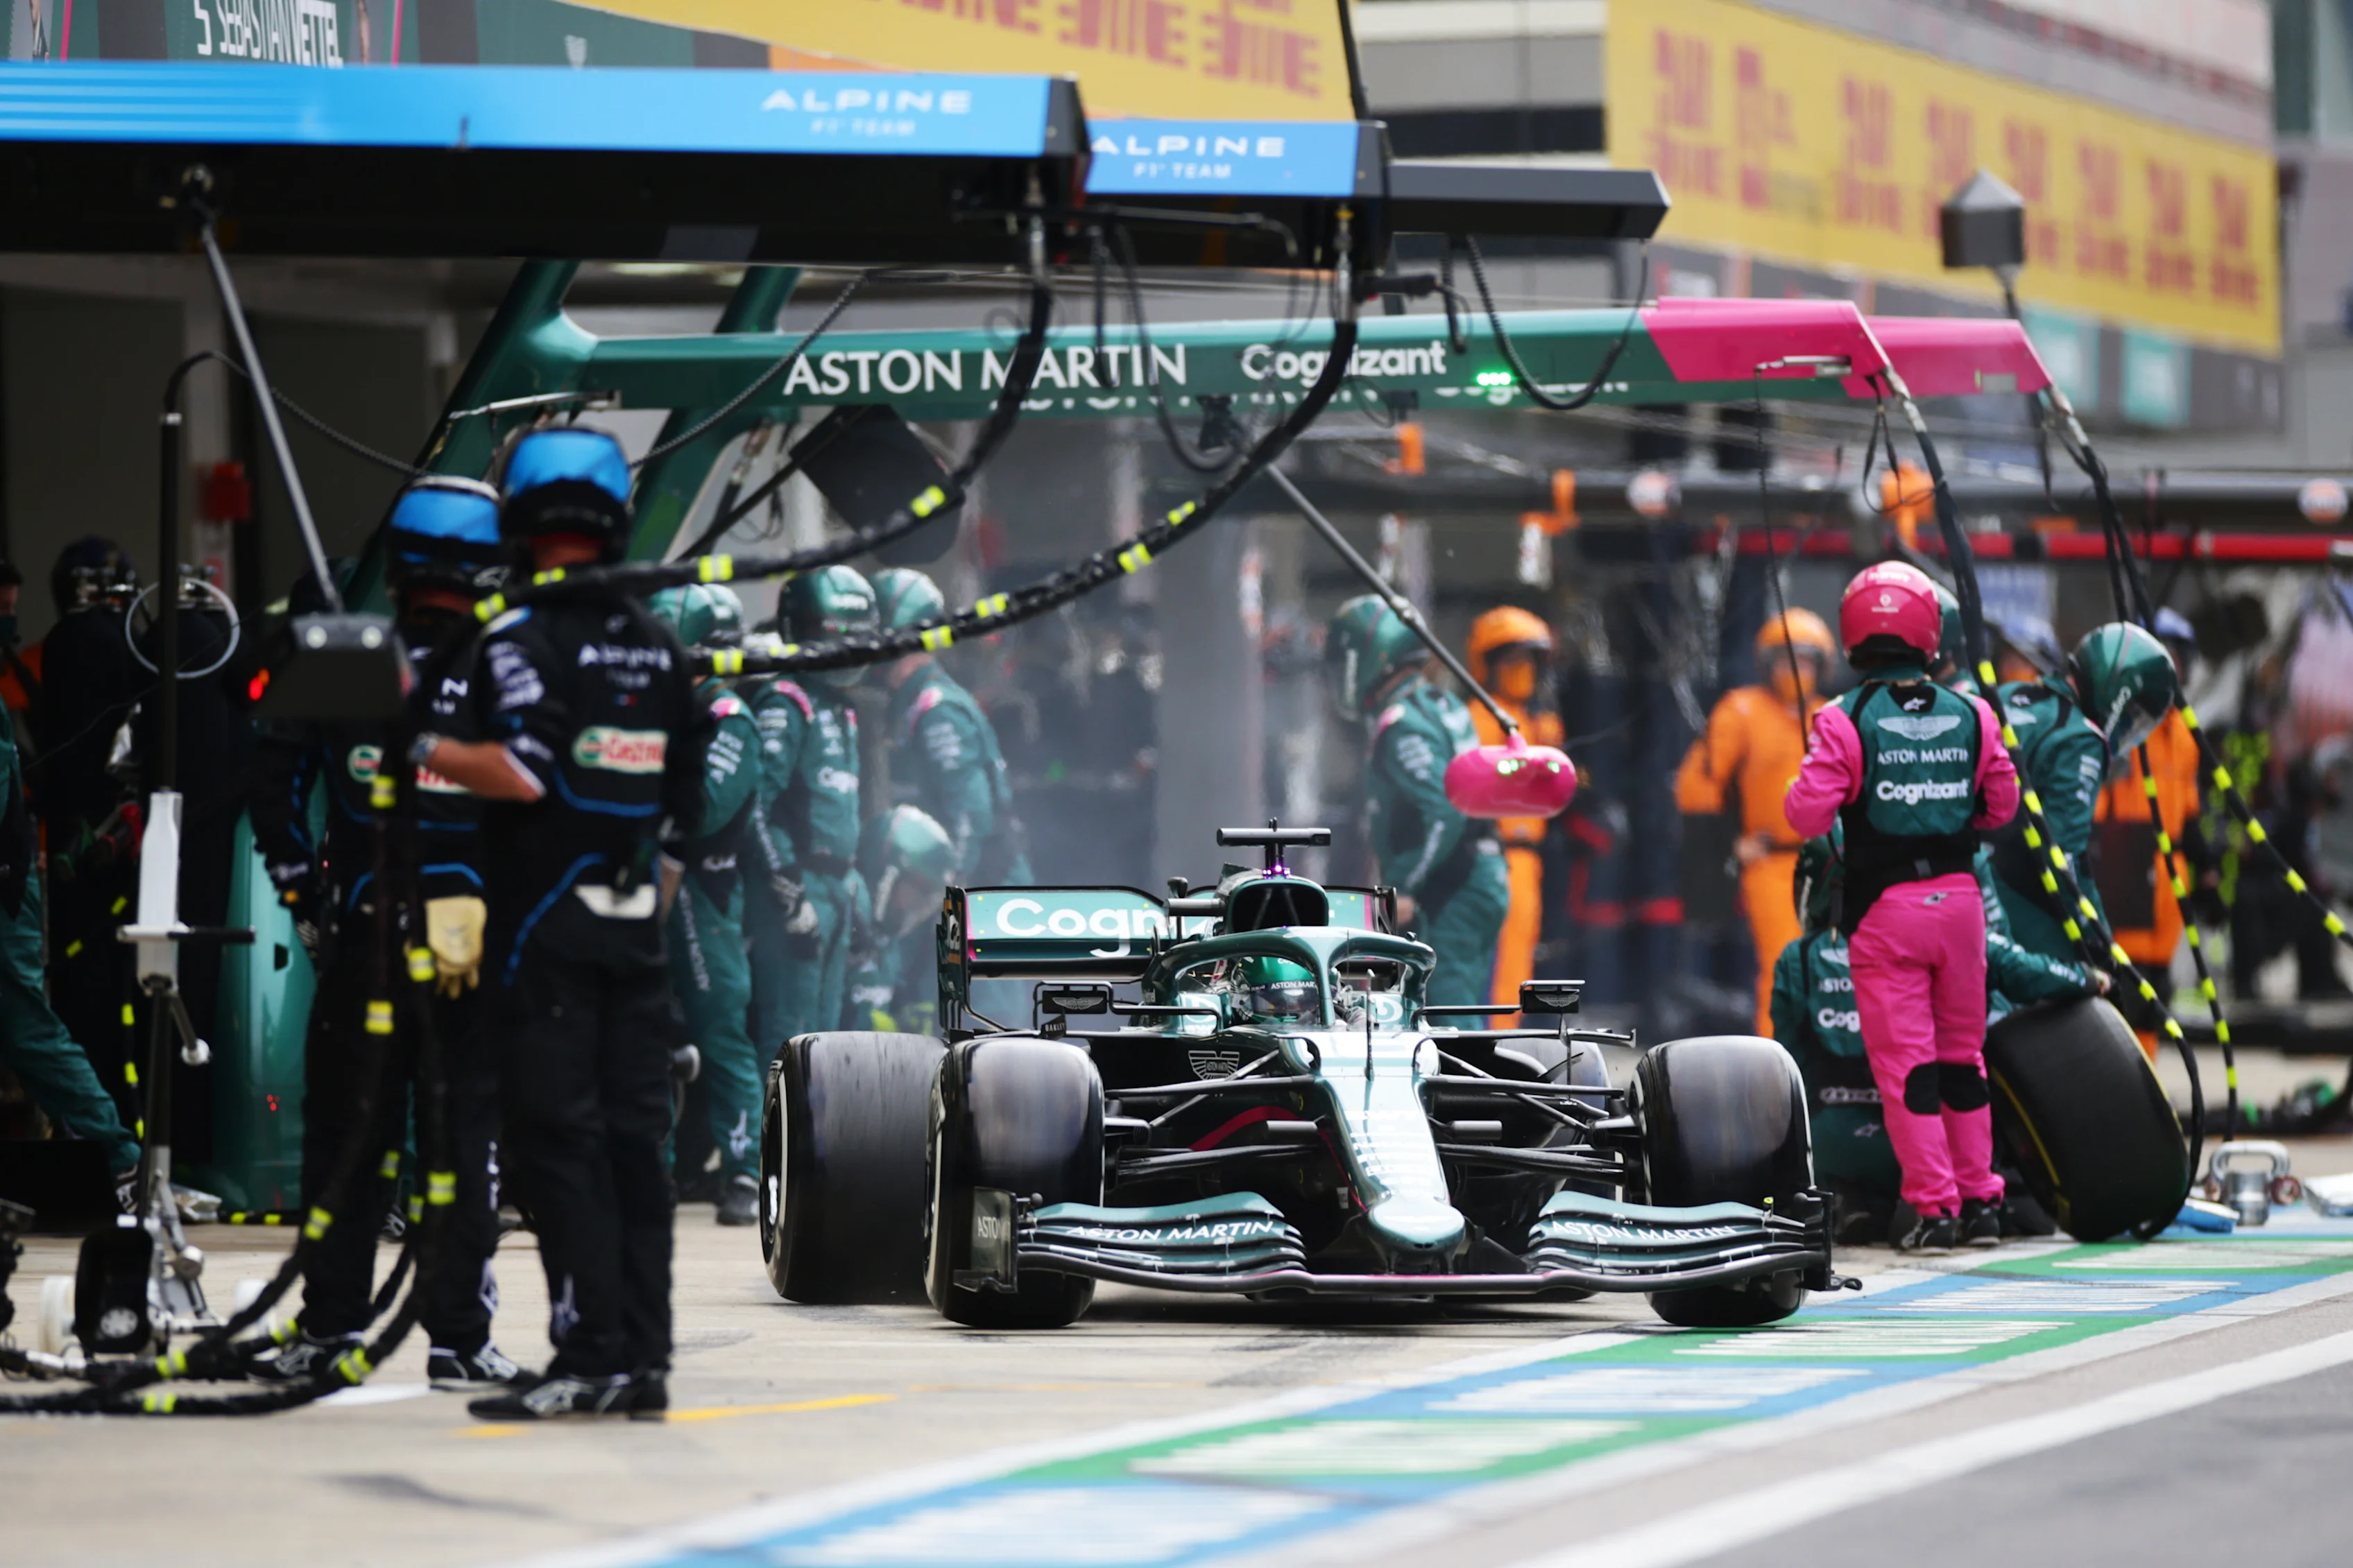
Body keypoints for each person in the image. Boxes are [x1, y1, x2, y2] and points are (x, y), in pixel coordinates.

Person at [416, 428, 711, 1420]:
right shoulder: (658, 645)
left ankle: (589, 1355)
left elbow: (524, 768)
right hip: (633, 940)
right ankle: (642, 1360)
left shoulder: (517, 638)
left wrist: (423, 740)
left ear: (522, 521)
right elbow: (686, 813)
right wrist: (638, 903)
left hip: (543, 938)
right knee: (638, 1147)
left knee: (558, 1145)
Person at [246, 477, 517, 1388]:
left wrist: (300, 892)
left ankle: (329, 1330)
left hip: (366, 921)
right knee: (461, 1142)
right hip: (464, 943)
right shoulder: (505, 663)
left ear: (397, 571)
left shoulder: (341, 652)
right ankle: (459, 1340)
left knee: (349, 1144)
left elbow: (272, 780)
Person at [1785, 561, 2019, 1251]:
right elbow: (2000, 805)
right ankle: (1982, 1201)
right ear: (1929, 635)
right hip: (1960, 909)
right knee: (1961, 1059)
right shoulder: (1974, 713)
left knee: (1908, 1067)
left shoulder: (1842, 718)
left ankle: (1934, 1208)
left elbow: (1803, 813)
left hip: (1884, 917)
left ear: (1853, 638)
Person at [1772, 827, 2096, 1244]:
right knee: (1964, 1065)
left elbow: (1787, 1075)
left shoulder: (1794, 960)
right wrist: (2088, 978)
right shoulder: (1935, 931)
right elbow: (2028, 973)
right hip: (1915, 1149)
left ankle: (1859, 1203)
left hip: (1832, 1148)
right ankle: (1975, 1200)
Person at [0, 562, 141, 1205]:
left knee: (25, 1024)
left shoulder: (40, 661)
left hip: (11, 879)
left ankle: (121, 1157)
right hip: (27, 864)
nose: (10, 608)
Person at [646, 583, 763, 1227]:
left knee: (721, 1032)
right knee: (648, 1034)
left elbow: (707, 807)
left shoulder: (729, 719)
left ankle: (745, 1170)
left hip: (705, 893)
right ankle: (655, 1170)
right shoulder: (662, 711)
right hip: (644, 882)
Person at [1324, 596, 1507, 1008]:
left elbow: (1443, 811)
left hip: (1450, 890)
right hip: (1477, 877)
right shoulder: (1441, 703)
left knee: (1446, 1019)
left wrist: (1403, 887)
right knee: (1456, 1010)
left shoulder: (1403, 726)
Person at [1675, 607, 1836, 1034]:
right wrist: (1728, 844)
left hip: (1832, 862)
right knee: (1784, 966)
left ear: (1821, 666)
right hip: (1772, 861)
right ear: (1767, 665)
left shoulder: (1834, 716)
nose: (1794, 670)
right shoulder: (1741, 711)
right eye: (1785, 660)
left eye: (1804, 660)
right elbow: (1697, 787)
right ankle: (1777, 1063)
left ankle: (1827, 1070)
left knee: (1836, 970)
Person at [1986, 622, 2182, 968]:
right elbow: (2063, 858)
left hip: (1954, 883)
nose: (2129, 728)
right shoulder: (2080, 740)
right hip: (2008, 902)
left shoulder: (2008, 695)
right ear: (2119, 692)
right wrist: (2098, 940)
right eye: (2133, 715)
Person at [31, 538, 146, 1121]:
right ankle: (115, 1131)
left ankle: (90, 1132)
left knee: (81, 995)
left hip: (74, 853)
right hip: (104, 854)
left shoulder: (57, 648)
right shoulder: (107, 648)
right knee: (109, 997)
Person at [745, 566, 874, 1058]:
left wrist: (853, 888)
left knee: (827, 1040)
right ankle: (770, 1138)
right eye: (837, 634)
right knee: (786, 1035)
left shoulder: (844, 708)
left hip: (839, 887)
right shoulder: (784, 701)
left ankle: (813, 1139)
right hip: (796, 888)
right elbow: (757, 803)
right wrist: (788, 890)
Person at [869, 567, 1032, 887]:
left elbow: (971, 815)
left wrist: (947, 889)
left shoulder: (937, 711)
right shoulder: (914, 702)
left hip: (987, 891)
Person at [2093, 608, 2208, 990]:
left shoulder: (2183, 733)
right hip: (2126, 862)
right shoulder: (2119, 722)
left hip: (2169, 873)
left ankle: (2148, 1052)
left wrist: (2205, 872)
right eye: (2166, 656)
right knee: (2127, 981)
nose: (2175, 667)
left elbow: (2189, 813)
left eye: (2180, 658)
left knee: (2158, 983)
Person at [1464, 607, 1565, 1018]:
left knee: (1518, 963)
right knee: (1496, 963)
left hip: (1527, 857)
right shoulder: (1479, 718)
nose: (1523, 671)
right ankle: (1491, 1046)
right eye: (1512, 661)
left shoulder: (1529, 721)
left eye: (1530, 662)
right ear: (1487, 666)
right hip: (1494, 854)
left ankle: (1506, 1042)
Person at [842, 803, 956, 1035]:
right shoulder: (843, 921)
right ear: (886, 873)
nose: (918, 907)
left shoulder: (893, 942)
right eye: (918, 890)